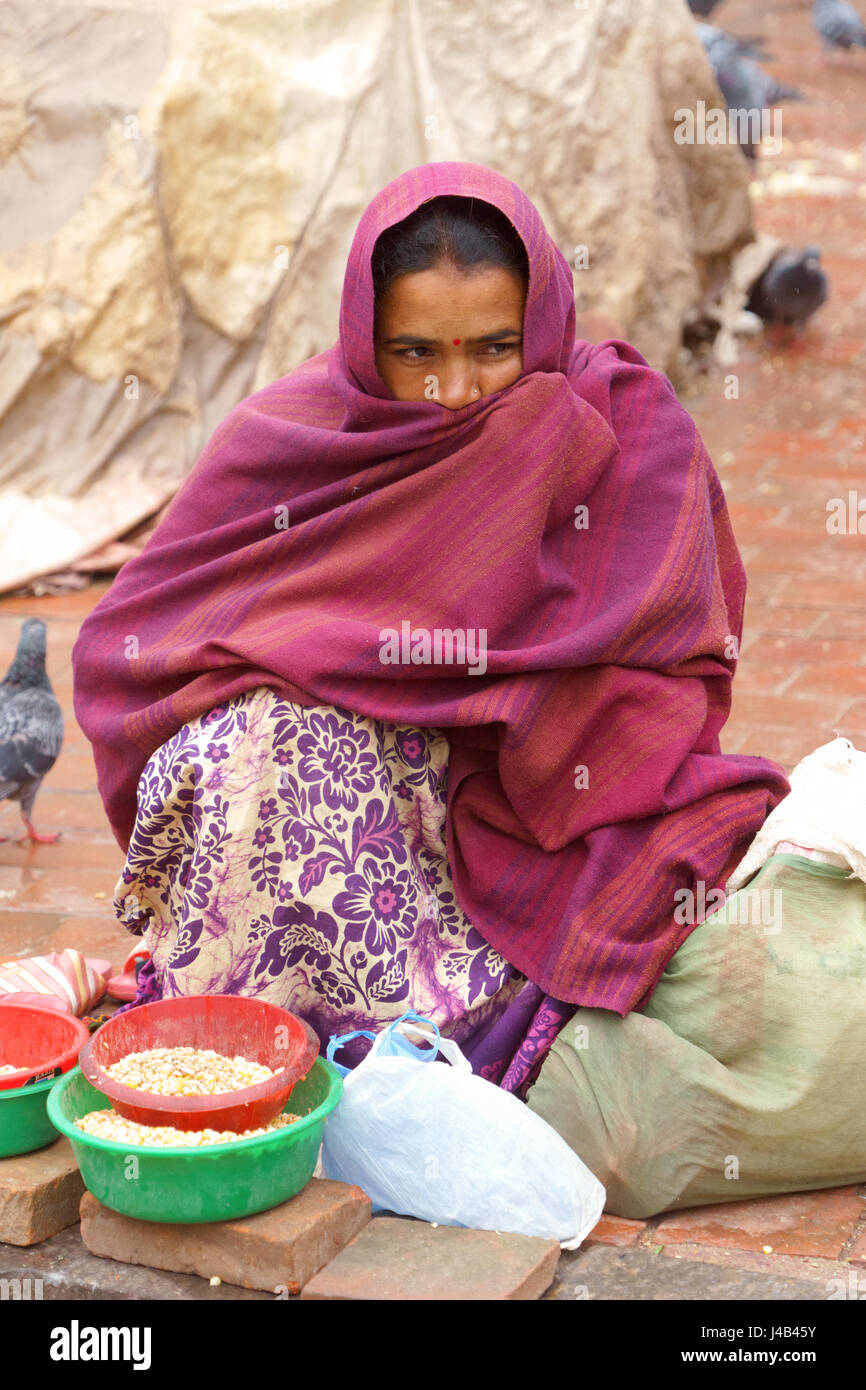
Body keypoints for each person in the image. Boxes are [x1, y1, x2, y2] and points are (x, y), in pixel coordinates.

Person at [73, 161, 801, 1168]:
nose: (454, 390)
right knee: (254, 743)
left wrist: (498, 700)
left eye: (494, 350)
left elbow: (668, 668)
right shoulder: (295, 441)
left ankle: (438, 1053)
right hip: (336, 824)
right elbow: (141, 644)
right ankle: (260, 1049)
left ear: (542, 323)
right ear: (366, 341)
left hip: (516, 818)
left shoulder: (622, 429)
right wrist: (324, 673)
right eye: (415, 353)